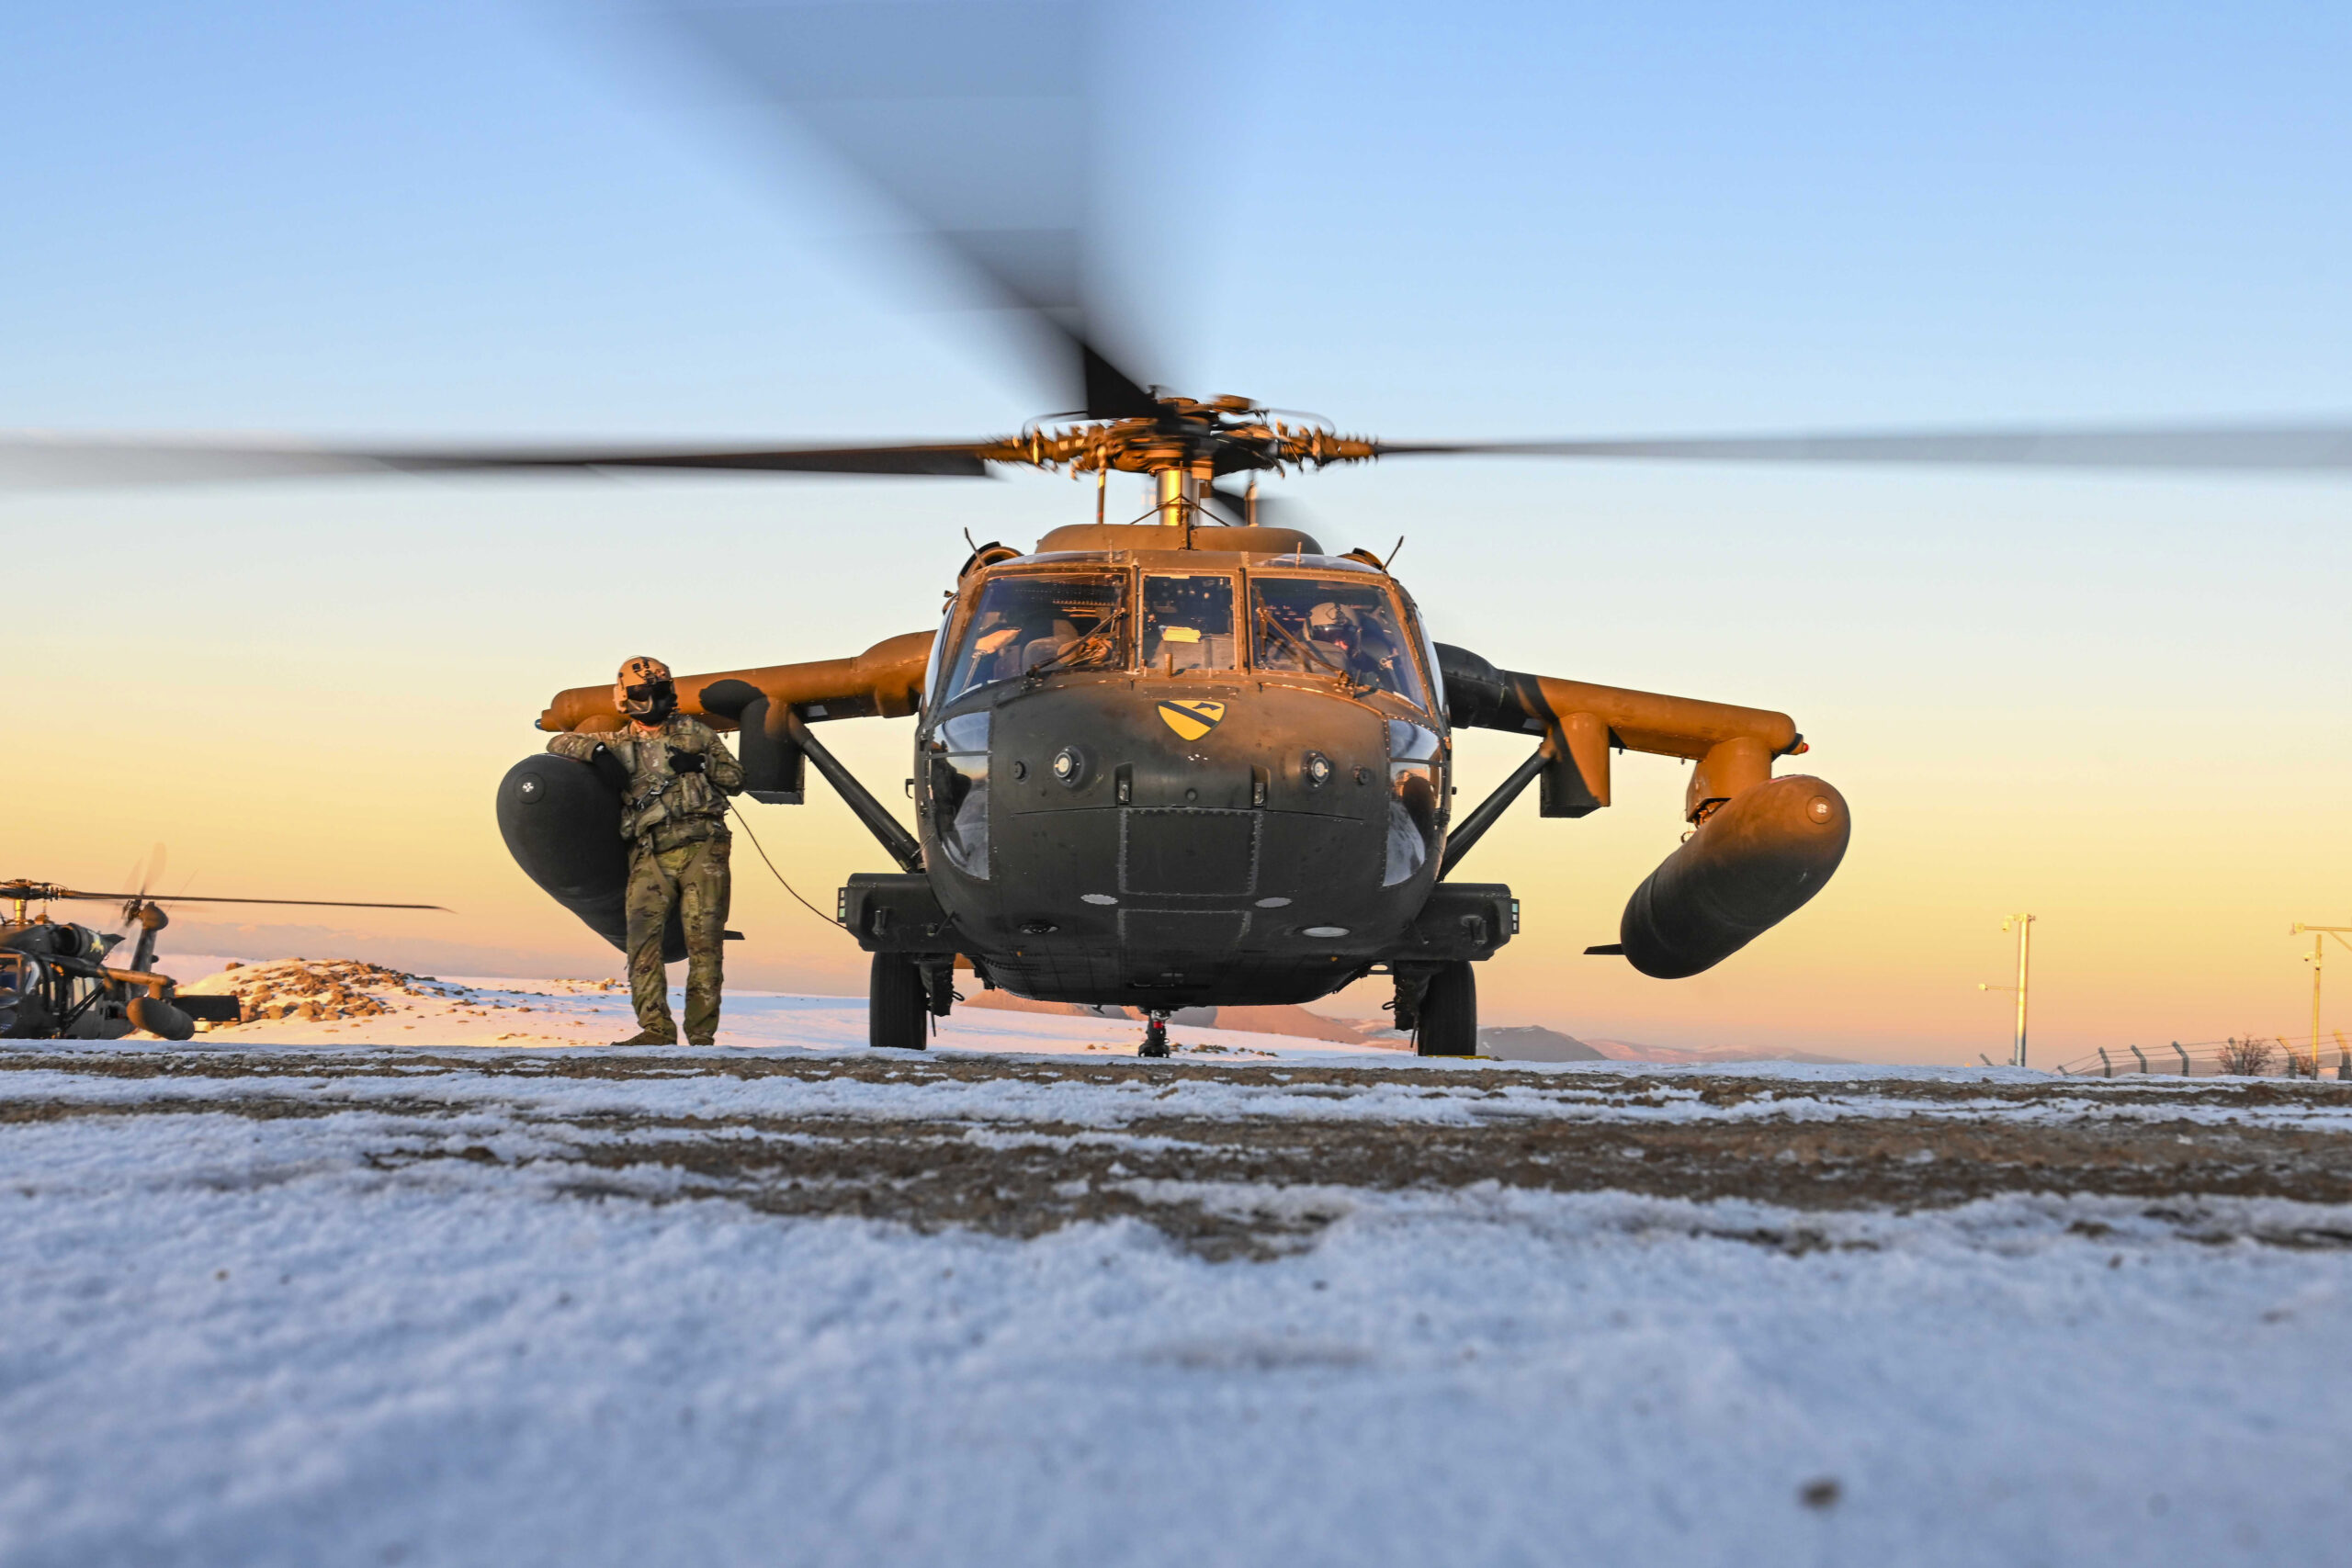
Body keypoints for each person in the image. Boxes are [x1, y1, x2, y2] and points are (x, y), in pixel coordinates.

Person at [547, 656, 744, 1045]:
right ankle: (655, 1029)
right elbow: (556, 741)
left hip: (702, 846)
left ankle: (701, 1035)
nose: (652, 698)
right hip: (650, 851)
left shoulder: (696, 733)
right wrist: (597, 755)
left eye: (657, 690)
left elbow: (736, 779)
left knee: (705, 944)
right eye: (642, 692)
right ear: (626, 698)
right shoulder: (619, 743)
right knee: (641, 944)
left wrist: (700, 764)